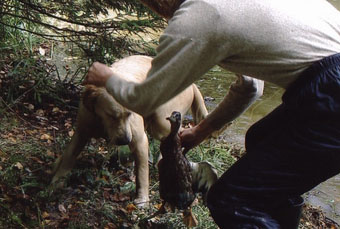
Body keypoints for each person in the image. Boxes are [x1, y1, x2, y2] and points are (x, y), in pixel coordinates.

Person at [83, 0, 340, 228]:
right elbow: (251, 87)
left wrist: (107, 78)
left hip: (330, 91)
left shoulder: (198, 13)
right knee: (260, 138)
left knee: (232, 199)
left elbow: (145, 100)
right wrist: (200, 130)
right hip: (323, 84)